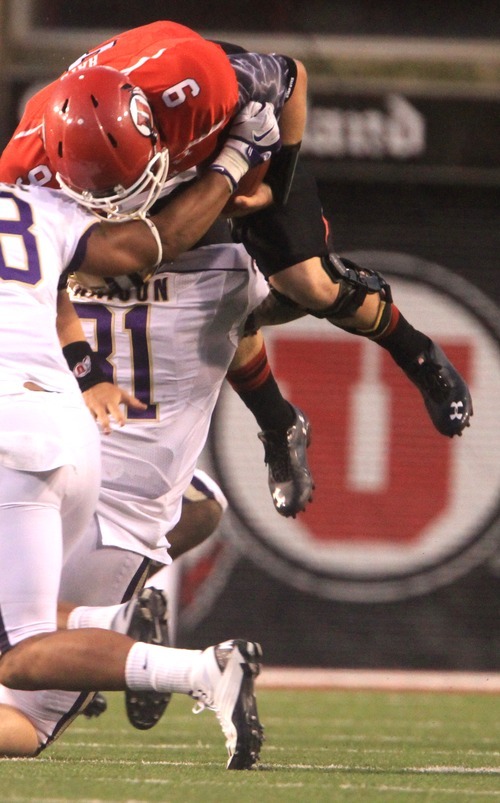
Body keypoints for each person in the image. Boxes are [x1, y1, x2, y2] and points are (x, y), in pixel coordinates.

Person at [0, 19, 472, 439]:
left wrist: (274, 187)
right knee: (203, 297)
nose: (127, 206)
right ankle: (279, 425)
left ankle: (416, 353)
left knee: (308, 283)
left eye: (131, 187)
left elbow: (293, 75)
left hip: (232, 144)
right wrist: (87, 371)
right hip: (178, 164)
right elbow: (51, 280)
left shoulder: (197, 84)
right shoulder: (21, 173)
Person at [0, 98, 276, 764]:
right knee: (22, 631)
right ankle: (116, 622)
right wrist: (234, 165)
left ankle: (202, 669)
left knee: (21, 660)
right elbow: (124, 253)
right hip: (68, 432)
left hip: (13, 436)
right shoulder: (38, 206)